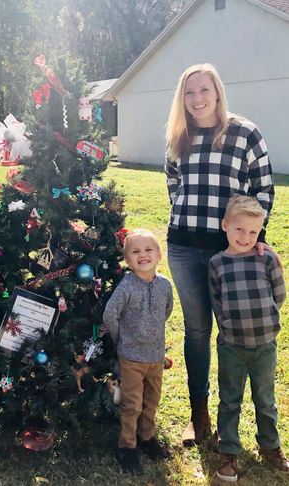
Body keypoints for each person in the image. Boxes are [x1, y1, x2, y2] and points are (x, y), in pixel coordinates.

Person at [164, 63, 276, 446]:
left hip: (228, 253)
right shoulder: (179, 136)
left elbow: (263, 190)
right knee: (197, 331)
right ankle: (199, 417)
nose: (197, 99)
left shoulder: (245, 132)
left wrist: (253, 237)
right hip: (182, 247)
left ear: (217, 92)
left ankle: (236, 422)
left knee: (232, 332)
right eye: (189, 92)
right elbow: (173, 185)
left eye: (203, 90)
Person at [209, 195, 287, 482]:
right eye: (239, 229)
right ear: (225, 225)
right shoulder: (217, 263)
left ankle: (270, 446)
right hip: (232, 346)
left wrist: (265, 321)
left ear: (260, 231)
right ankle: (228, 450)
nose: (246, 237)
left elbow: (279, 294)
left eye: (253, 232)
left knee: (265, 400)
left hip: (264, 345)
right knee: (229, 400)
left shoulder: (265, 258)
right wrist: (230, 328)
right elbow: (216, 300)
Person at [103, 229, 173, 476]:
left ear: (159, 254)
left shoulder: (164, 285)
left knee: (151, 400)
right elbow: (110, 314)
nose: (143, 255)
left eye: (148, 250)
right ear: (128, 260)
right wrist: (122, 339)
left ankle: (147, 438)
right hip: (131, 357)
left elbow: (166, 311)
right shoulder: (127, 286)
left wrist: (152, 335)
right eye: (135, 251)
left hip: (155, 356)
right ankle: (127, 446)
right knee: (132, 404)